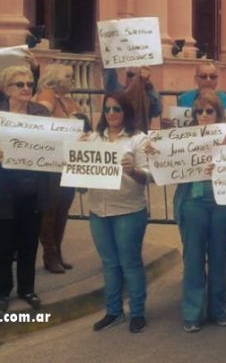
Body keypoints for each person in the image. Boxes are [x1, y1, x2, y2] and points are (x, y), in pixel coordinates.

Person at [167, 89, 226, 332]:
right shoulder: (182, 139)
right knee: (193, 258)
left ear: (217, 113)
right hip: (192, 202)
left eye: (209, 111)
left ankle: (219, 310)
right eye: (199, 111)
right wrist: (156, 153)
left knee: (219, 257)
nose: (204, 115)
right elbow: (166, 164)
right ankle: (192, 312)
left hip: (222, 204)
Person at [0, 65, 49, 312]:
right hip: (3, 189)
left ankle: (27, 289)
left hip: (33, 187)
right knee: (1, 243)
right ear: (6, 88)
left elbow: (53, 144)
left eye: (29, 84)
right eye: (19, 84)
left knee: (29, 242)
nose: (26, 88)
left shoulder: (41, 112)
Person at [83, 92, 153, 334]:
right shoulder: (92, 139)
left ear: (127, 112)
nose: (111, 114)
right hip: (98, 210)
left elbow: (149, 176)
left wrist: (133, 171)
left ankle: (137, 312)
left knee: (130, 263)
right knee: (109, 264)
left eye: (117, 109)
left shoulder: (139, 140)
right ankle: (113, 311)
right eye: (108, 109)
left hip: (128, 210)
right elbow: (79, 173)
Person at [33, 63, 81, 274]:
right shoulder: (47, 96)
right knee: (50, 210)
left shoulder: (67, 100)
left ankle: (58, 252)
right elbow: (41, 123)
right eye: (69, 76)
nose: (73, 80)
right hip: (51, 162)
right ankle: (49, 255)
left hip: (69, 161)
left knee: (63, 208)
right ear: (56, 78)